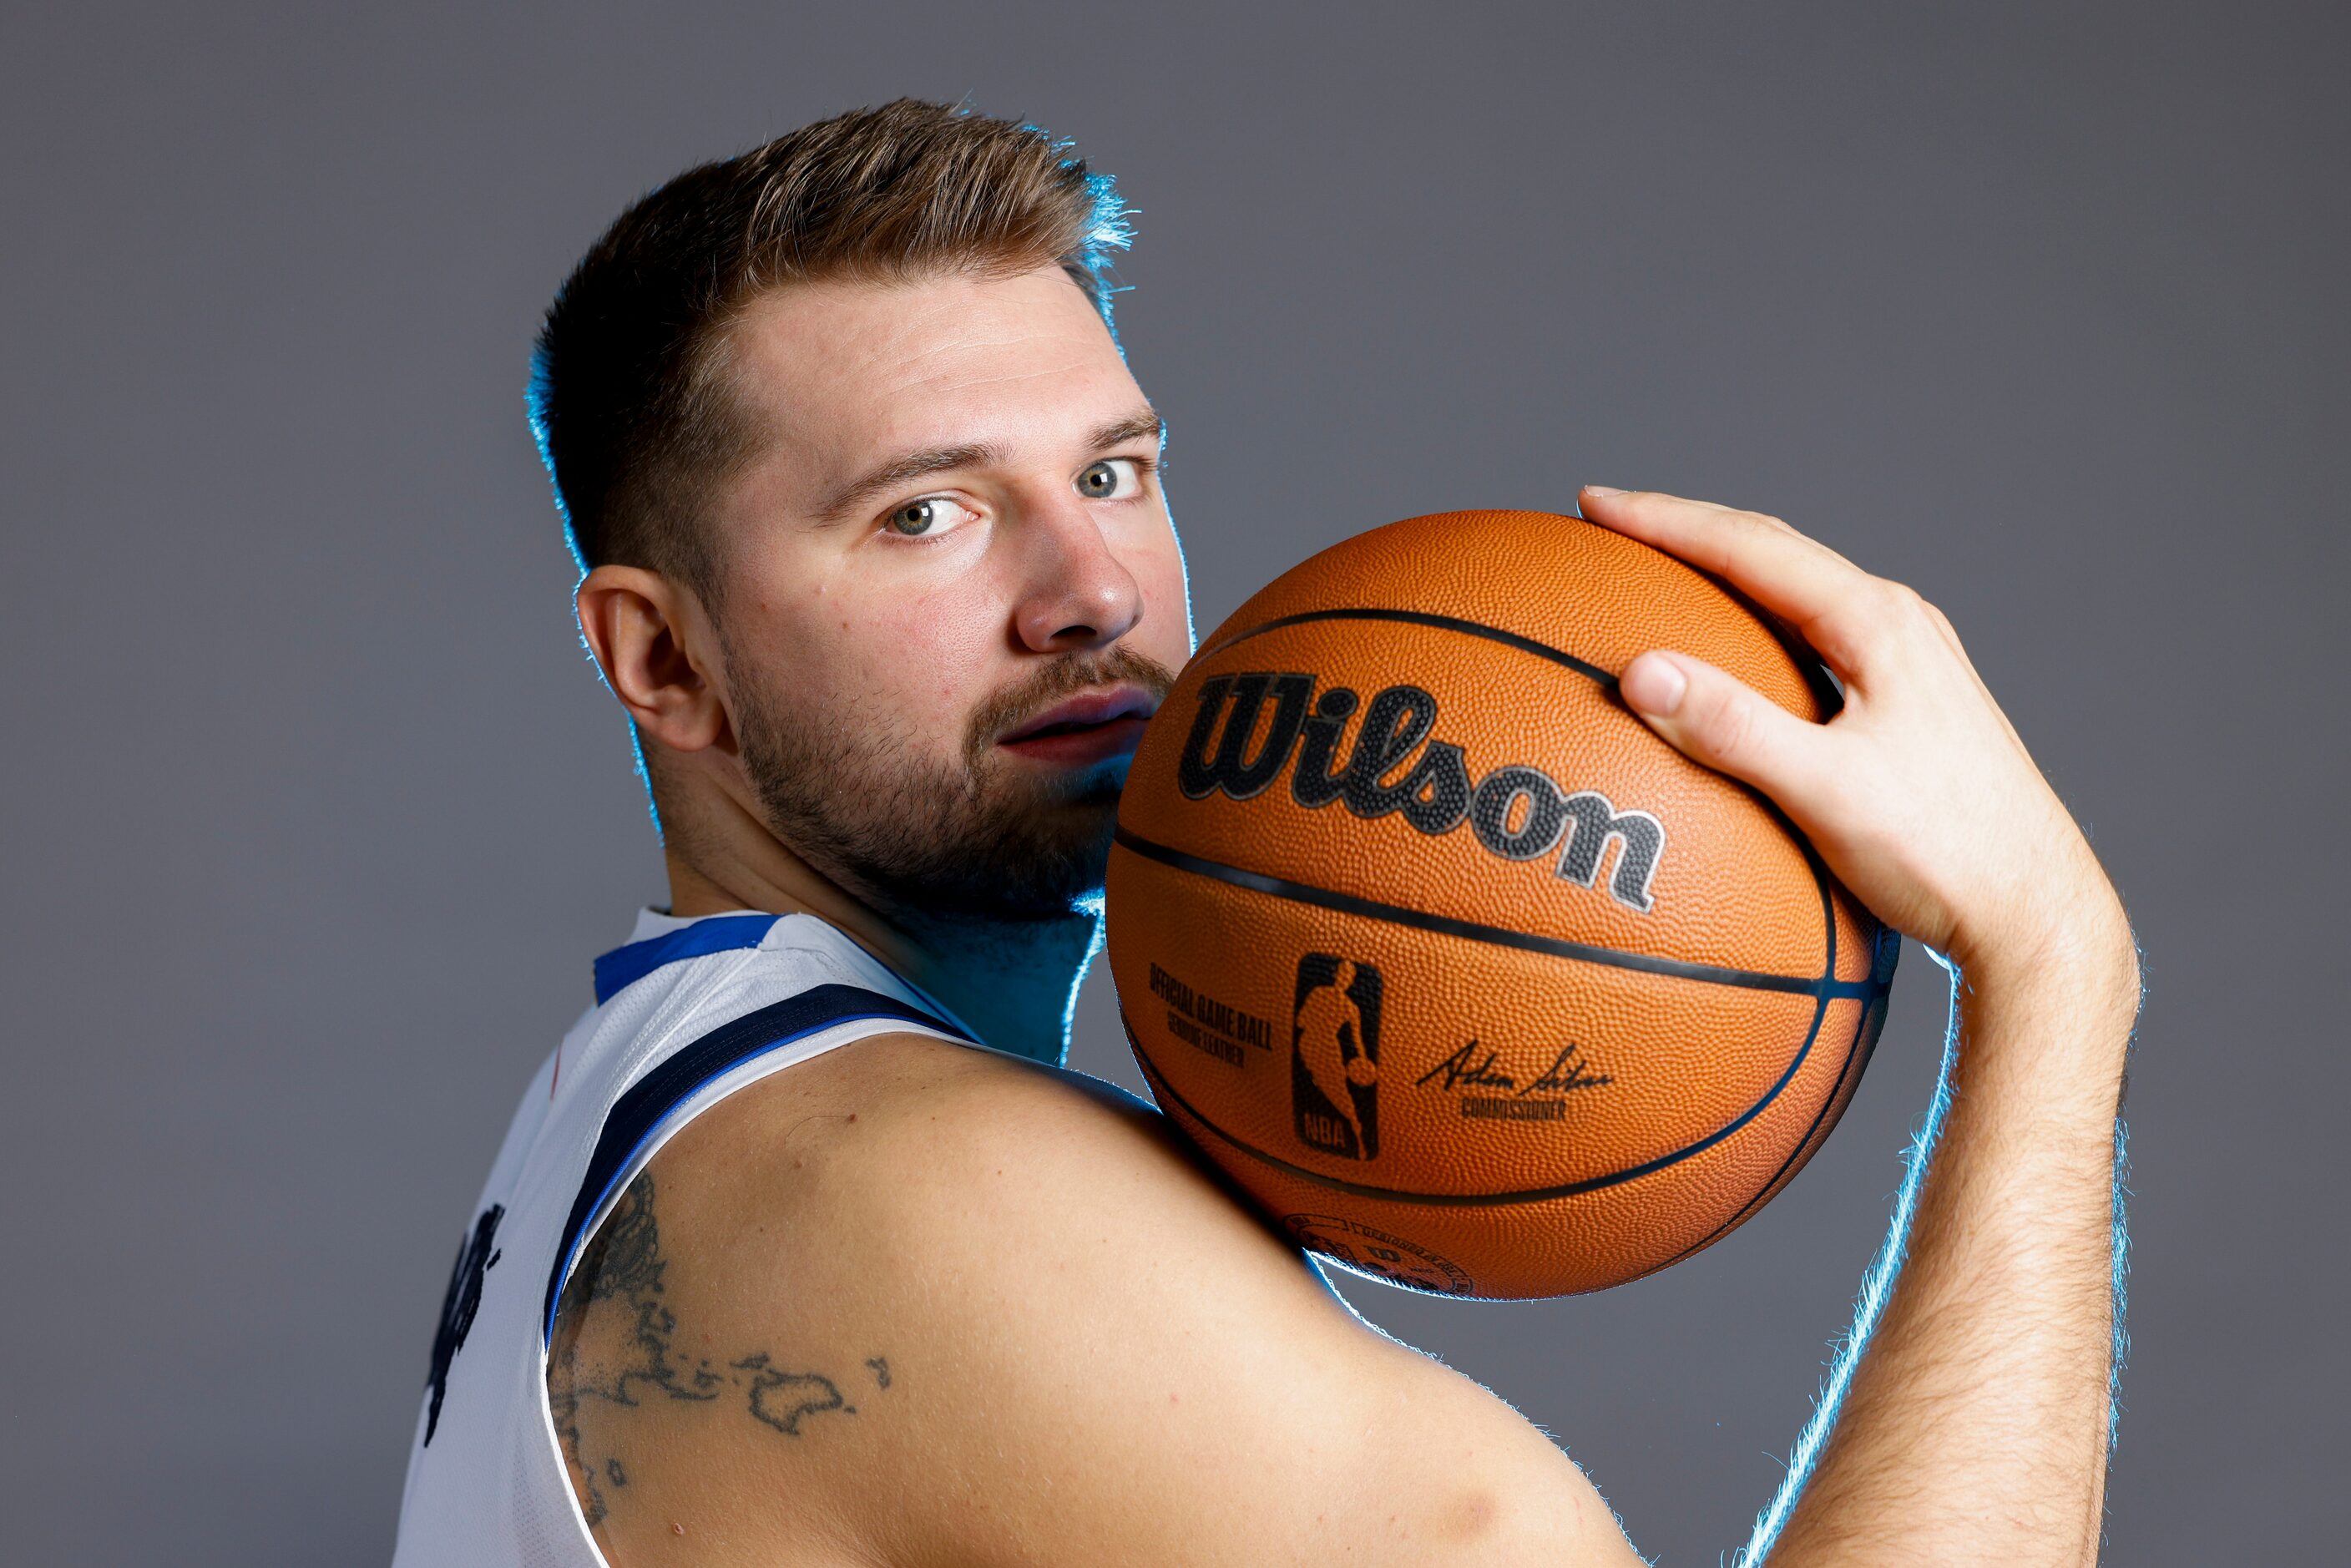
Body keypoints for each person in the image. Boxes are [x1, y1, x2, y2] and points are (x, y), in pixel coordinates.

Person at [391, 99, 2141, 1565]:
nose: (1088, 593)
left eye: (1112, 473)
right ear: (663, 657)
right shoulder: (911, 1192)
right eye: (925, 513)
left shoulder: (644, 1108)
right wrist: (2054, 980)